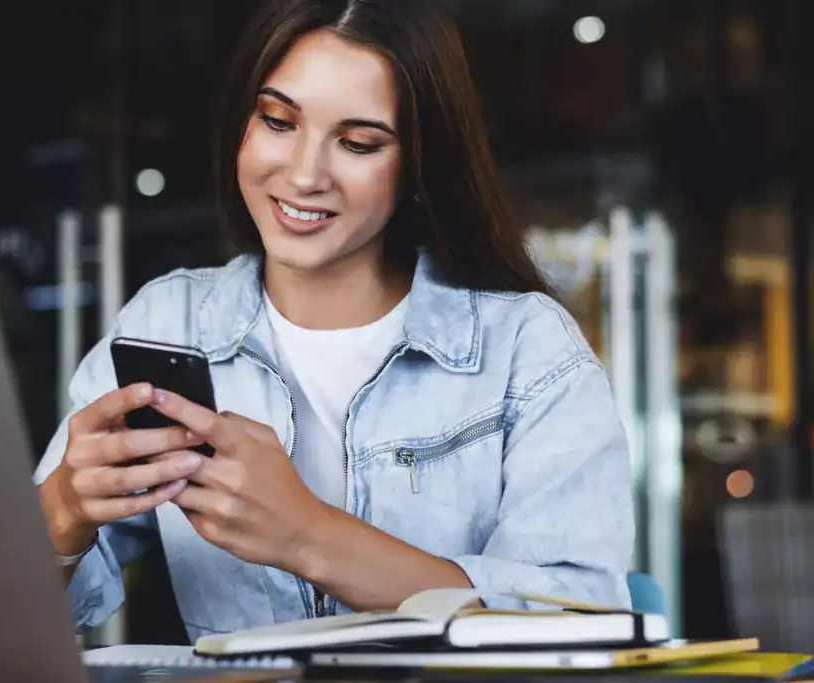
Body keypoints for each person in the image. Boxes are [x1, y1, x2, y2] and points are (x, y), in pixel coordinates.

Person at [35, 0, 635, 642]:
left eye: (357, 143)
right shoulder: (169, 323)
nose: (304, 175)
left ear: (419, 164)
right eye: (278, 121)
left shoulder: (526, 349)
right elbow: (4, 621)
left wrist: (308, 536)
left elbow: (583, 628)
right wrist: (65, 509)